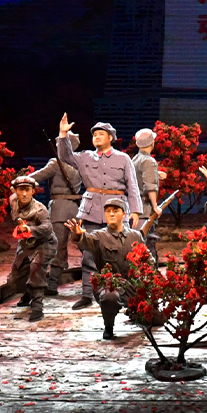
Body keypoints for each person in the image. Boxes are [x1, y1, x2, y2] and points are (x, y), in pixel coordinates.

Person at [54, 115, 144, 310]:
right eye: (94, 134)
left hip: (117, 209)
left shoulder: (123, 158)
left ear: (110, 137)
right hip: (92, 210)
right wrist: (63, 134)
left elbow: (132, 185)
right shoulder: (85, 157)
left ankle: (124, 295)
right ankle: (87, 295)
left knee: (122, 253)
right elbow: (65, 156)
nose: (96, 137)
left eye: (101, 134)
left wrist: (136, 211)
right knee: (88, 254)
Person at [68, 199, 149, 338]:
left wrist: (150, 280)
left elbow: (147, 259)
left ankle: (135, 313)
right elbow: (85, 240)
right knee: (109, 297)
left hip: (132, 286)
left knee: (156, 319)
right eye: (108, 211)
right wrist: (78, 235)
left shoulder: (135, 236)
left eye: (115, 211)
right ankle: (109, 326)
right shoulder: (99, 236)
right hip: (109, 285)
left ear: (124, 214)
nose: (111, 214)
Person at [27, 133, 84, 293]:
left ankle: (52, 284)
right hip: (76, 209)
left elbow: (36, 177)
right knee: (83, 246)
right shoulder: (80, 165)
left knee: (57, 247)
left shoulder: (55, 163)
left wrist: (19, 182)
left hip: (59, 210)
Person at [4, 176, 56, 321]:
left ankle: (37, 307)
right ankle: (27, 293)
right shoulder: (13, 201)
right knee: (15, 278)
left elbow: (48, 227)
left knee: (36, 269)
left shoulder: (39, 210)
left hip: (44, 243)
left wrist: (30, 229)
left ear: (33, 191)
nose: (24, 194)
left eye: (28, 190)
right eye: (21, 190)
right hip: (26, 243)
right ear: (15, 191)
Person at [131, 128, 163, 253]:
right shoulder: (149, 161)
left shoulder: (135, 159)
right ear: (152, 143)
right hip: (145, 209)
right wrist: (155, 206)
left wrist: (157, 174)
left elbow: (139, 175)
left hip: (135, 206)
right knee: (146, 246)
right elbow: (150, 187)